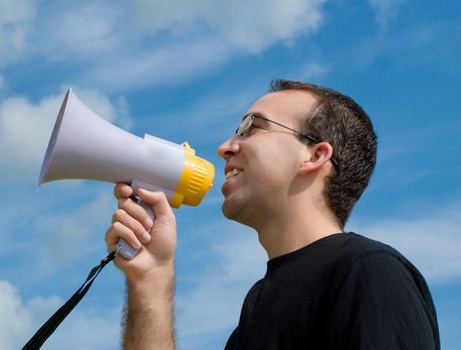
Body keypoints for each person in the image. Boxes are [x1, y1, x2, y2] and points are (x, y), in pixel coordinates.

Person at [104, 80, 440, 349]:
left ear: (315, 155)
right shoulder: (259, 304)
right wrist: (151, 280)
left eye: (252, 127)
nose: (225, 147)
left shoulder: (368, 270)